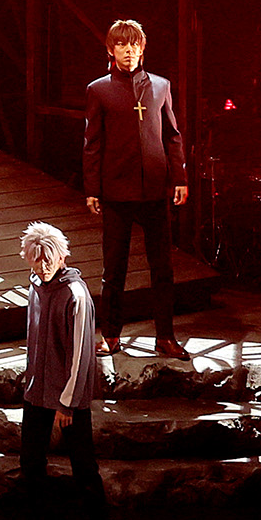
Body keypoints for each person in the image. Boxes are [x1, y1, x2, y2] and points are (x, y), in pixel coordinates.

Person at [13, 222, 121, 520]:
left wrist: (68, 403)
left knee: (84, 470)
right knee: (31, 464)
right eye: (37, 260)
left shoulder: (76, 294)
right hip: (36, 394)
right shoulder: (34, 286)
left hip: (67, 399)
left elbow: (80, 354)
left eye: (49, 259)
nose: (43, 266)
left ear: (62, 256)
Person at [81, 18, 190, 358]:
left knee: (163, 268)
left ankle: (165, 337)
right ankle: (111, 335)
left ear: (142, 49)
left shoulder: (160, 86)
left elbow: (172, 136)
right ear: (111, 50)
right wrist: (92, 188)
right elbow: (92, 143)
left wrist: (179, 178)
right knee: (114, 269)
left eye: (134, 45)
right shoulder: (99, 90)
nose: (129, 51)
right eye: (122, 45)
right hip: (116, 191)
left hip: (155, 189)